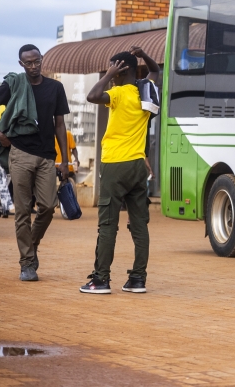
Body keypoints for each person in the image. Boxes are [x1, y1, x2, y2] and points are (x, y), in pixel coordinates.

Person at [80, 46, 159, 295]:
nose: (111, 74)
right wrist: (143, 55)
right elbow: (155, 70)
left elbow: (92, 96)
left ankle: (100, 280)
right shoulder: (146, 91)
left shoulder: (119, 93)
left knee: (107, 225)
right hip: (137, 165)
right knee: (139, 225)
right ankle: (138, 280)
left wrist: (107, 75)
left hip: (115, 165)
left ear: (120, 70)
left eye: (114, 69)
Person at [0, 44, 69, 282]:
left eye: (37, 61)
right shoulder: (14, 84)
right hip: (20, 153)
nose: (34, 66)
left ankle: (31, 245)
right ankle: (27, 263)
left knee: (48, 207)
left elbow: (59, 125)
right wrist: (0, 134)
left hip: (47, 155)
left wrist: (65, 160)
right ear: (21, 64)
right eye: (28, 62)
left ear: (42, 59)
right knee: (23, 211)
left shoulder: (55, 88)